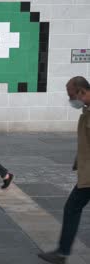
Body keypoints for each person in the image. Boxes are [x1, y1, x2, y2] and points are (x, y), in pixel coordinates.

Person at [38, 76, 90, 264]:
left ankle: (62, 252)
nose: (70, 100)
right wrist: (79, 159)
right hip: (86, 173)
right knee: (72, 208)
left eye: (71, 95)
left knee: (72, 208)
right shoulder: (87, 109)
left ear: (82, 92)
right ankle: (62, 252)